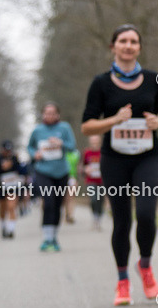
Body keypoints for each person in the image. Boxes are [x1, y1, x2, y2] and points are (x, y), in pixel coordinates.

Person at [82, 24, 158, 306]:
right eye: (123, 41)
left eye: (134, 41)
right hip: (114, 159)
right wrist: (113, 120)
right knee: (122, 220)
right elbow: (87, 126)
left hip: (147, 156)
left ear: (139, 47)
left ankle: (145, 266)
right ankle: (122, 281)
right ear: (113, 47)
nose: (128, 45)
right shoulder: (101, 83)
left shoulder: (154, 79)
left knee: (146, 214)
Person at [27, 103, 76, 251]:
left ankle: (53, 237)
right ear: (43, 115)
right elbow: (29, 147)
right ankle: (46, 238)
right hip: (43, 171)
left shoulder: (65, 128)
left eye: (53, 113)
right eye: (47, 113)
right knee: (48, 202)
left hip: (61, 171)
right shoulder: (37, 130)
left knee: (57, 205)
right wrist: (34, 154)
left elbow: (72, 146)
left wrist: (61, 143)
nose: (50, 116)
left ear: (58, 115)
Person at [0, 140, 27, 239]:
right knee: (3, 208)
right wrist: (3, 168)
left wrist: (16, 163)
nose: (8, 152)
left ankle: (11, 230)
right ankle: (3, 227)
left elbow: (22, 171)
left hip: (12, 187)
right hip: (1, 187)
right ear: (2, 149)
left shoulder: (14, 158)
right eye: (6, 150)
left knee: (11, 207)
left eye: (9, 150)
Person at [81, 135, 105, 230]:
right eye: (93, 141)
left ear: (99, 141)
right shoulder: (87, 152)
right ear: (90, 142)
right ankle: (95, 217)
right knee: (93, 199)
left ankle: (99, 218)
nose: (94, 143)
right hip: (90, 180)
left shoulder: (103, 152)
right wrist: (85, 170)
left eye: (96, 141)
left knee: (100, 200)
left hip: (102, 180)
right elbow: (82, 166)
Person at [64, 148, 81, 224]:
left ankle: (70, 215)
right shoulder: (62, 151)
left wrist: (77, 177)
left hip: (72, 177)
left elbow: (78, 166)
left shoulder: (76, 153)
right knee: (64, 198)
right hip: (62, 177)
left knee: (71, 196)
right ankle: (65, 214)